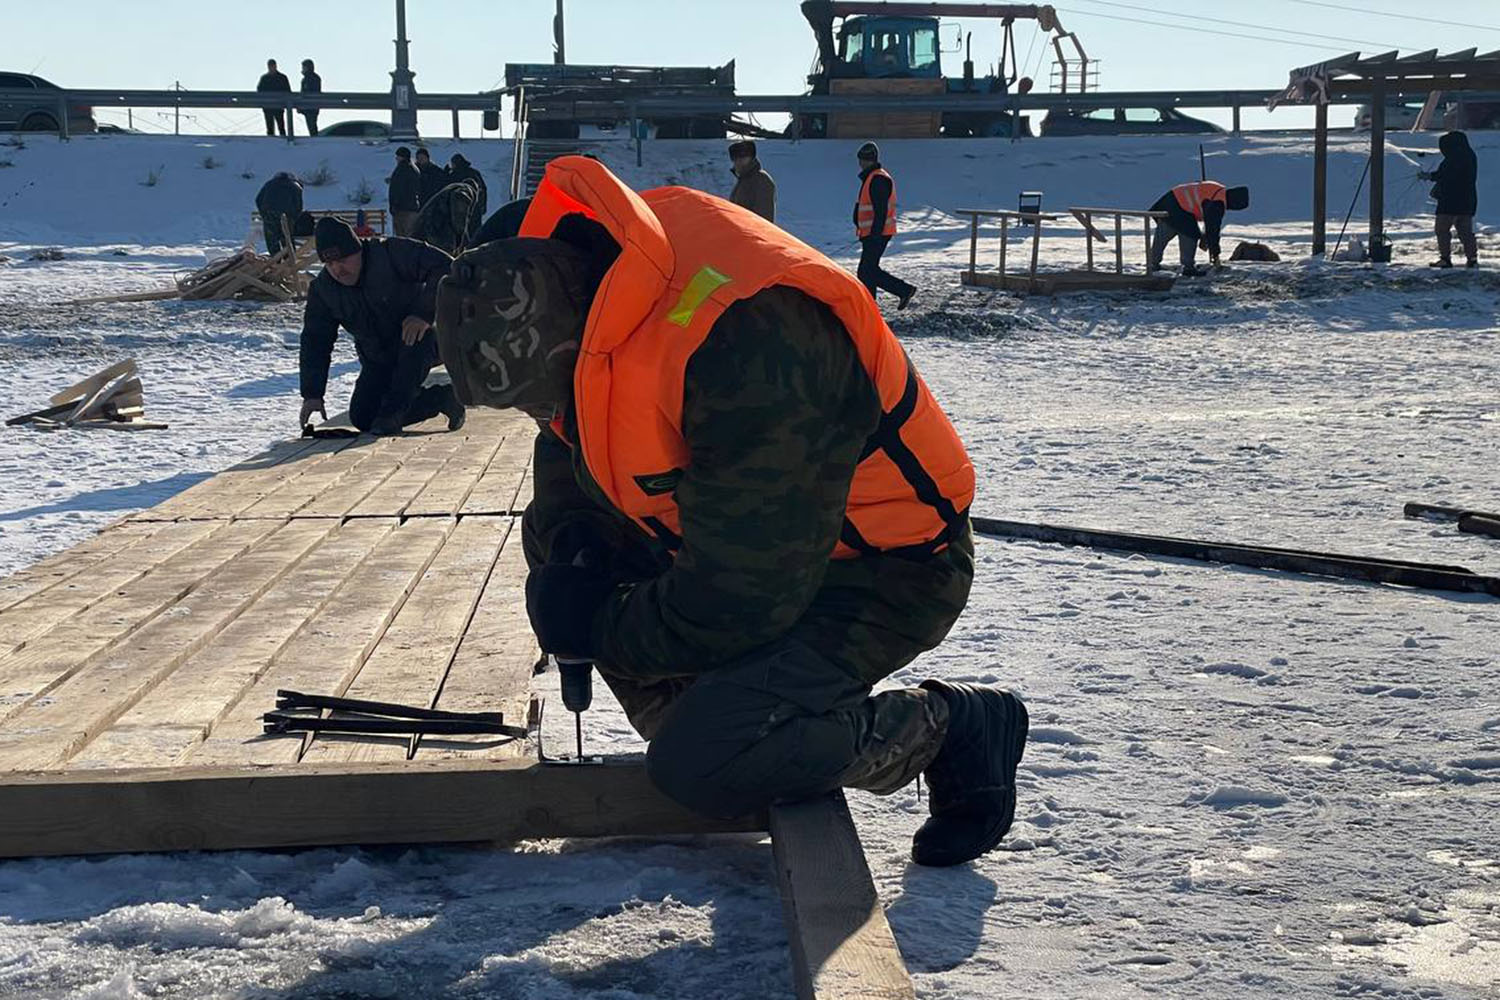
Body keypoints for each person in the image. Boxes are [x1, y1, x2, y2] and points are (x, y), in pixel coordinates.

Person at [433, 156, 1028, 868]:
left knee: (705, 761)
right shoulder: (593, 280)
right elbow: (568, 437)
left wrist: (599, 625)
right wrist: (575, 549)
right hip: (753, 546)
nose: (543, 416)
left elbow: (740, 599)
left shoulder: (749, 337)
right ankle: (736, 712)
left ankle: (946, 728)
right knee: (558, 544)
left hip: (884, 568)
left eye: (540, 397)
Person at [298, 217, 466, 436]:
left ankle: (393, 414)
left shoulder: (390, 253)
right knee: (363, 417)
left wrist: (424, 314)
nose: (338, 269)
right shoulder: (324, 290)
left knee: (390, 414)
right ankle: (444, 398)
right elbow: (315, 341)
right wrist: (312, 394)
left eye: (343, 260)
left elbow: (447, 267)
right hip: (378, 357)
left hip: (422, 342)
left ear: (358, 249)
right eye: (329, 264)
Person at [853, 141, 916, 309]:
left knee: (867, 270)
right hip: (873, 233)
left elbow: (880, 210)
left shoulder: (878, 179)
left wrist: (875, 234)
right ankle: (872, 305)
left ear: (866, 160)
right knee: (868, 270)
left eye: (862, 160)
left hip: (877, 233)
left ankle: (903, 290)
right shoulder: (872, 177)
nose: (860, 163)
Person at [1148, 180, 1250, 277]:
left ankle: (1153, 263)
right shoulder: (1217, 202)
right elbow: (1212, 230)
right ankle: (1188, 268)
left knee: (1166, 229)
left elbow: (1209, 223)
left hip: (1169, 201)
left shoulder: (1217, 189)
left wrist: (1206, 238)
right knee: (1190, 234)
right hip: (1181, 208)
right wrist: (1215, 253)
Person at [1419, 131, 1479, 268]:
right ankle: (1472, 259)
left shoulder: (1454, 158)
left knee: (1442, 230)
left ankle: (1445, 259)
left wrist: (1429, 176)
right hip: (1468, 201)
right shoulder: (1470, 155)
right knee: (1466, 232)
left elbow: (1446, 175)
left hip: (1449, 201)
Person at [411, 179, 480, 255]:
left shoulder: (448, 190)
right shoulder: (465, 193)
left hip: (425, 234)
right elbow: (459, 219)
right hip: (437, 237)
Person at [253, 172, 312, 256]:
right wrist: (294, 217)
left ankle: (276, 258)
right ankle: (289, 258)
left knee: (272, 239)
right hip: (288, 216)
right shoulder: (295, 186)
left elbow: (258, 200)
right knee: (287, 238)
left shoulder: (268, 184)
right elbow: (298, 206)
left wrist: (264, 214)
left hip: (270, 214)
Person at [728, 139, 776, 223]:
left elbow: (764, 216)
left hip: (752, 229)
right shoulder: (742, 180)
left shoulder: (761, 180)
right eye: (735, 159)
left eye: (743, 158)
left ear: (751, 158)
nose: (738, 162)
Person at [447, 153, 488, 230]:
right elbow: (483, 189)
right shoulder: (474, 172)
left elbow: (448, 189)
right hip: (475, 206)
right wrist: (483, 205)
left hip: (459, 210)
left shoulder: (454, 175)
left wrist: (446, 174)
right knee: (475, 230)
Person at [388, 147, 421, 237]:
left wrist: (394, 205)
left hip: (402, 209)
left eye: (398, 156)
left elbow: (398, 188)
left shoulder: (401, 169)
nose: (396, 158)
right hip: (413, 207)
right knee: (411, 235)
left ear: (402, 157)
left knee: (402, 237)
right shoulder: (415, 169)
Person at [257, 59, 291, 137]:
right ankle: (271, 141)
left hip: (279, 105)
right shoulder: (264, 78)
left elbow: (288, 91)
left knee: (281, 127)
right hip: (268, 106)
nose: (271, 68)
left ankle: (283, 140)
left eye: (272, 66)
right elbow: (259, 91)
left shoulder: (282, 78)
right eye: (270, 66)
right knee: (270, 128)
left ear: (275, 66)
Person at [299, 59, 322, 137]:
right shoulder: (306, 79)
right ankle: (314, 137)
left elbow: (312, 92)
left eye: (303, 67)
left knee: (312, 125)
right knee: (311, 125)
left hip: (311, 106)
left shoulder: (312, 78)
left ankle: (314, 138)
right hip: (309, 106)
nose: (302, 69)